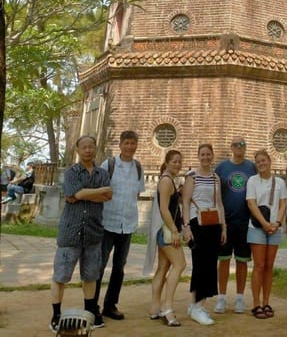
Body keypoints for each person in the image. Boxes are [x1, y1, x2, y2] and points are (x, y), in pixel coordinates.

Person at [50, 135, 112, 333]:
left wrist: (83, 194)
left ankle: (90, 311)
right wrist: (97, 192)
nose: (87, 150)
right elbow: (74, 194)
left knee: (91, 275)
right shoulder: (71, 172)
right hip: (71, 232)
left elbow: (108, 195)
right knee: (61, 275)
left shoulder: (102, 173)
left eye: (91, 147)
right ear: (78, 150)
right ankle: (56, 314)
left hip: (94, 232)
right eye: (84, 147)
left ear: (96, 149)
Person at [94, 130, 145, 321]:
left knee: (119, 267)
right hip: (108, 222)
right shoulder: (109, 164)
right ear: (120, 144)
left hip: (128, 224)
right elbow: (99, 190)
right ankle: (93, 305)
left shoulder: (138, 168)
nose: (130, 147)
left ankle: (110, 305)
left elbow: (137, 194)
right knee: (99, 265)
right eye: (127, 143)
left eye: (133, 143)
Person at [182, 143, 227, 326]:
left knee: (209, 264)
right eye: (203, 154)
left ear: (212, 155)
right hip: (197, 223)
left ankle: (196, 305)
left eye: (209, 154)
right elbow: (185, 202)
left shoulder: (216, 177)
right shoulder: (192, 176)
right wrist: (186, 226)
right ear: (198, 156)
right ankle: (198, 306)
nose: (206, 157)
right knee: (201, 264)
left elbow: (219, 203)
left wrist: (224, 227)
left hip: (213, 223)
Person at [214, 136, 256, 314]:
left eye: (243, 144)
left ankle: (240, 298)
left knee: (242, 261)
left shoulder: (251, 167)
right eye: (237, 145)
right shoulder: (222, 167)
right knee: (223, 261)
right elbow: (215, 193)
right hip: (225, 223)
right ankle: (221, 298)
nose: (240, 147)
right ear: (231, 147)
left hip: (245, 222)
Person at [144, 149, 186, 326]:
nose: (177, 164)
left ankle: (154, 308)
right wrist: (175, 230)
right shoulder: (167, 181)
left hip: (163, 230)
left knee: (163, 267)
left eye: (179, 161)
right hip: (167, 231)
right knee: (180, 264)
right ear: (167, 162)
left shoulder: (168, 180)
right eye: (174, 161)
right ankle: (167, 308)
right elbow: (163, 209)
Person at [246, 149, 287, 319]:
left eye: (264, 160)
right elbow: (251, 204)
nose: (261, 163)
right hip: (257, 228)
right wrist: (264, 224)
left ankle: (266, 302)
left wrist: (277, 223)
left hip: (274, 228)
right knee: (259, 265)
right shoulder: (252, 181)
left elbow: (283, 204)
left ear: (270, 161)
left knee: (269, 266)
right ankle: (256, 304)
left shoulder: (279, 182)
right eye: (258, 162)